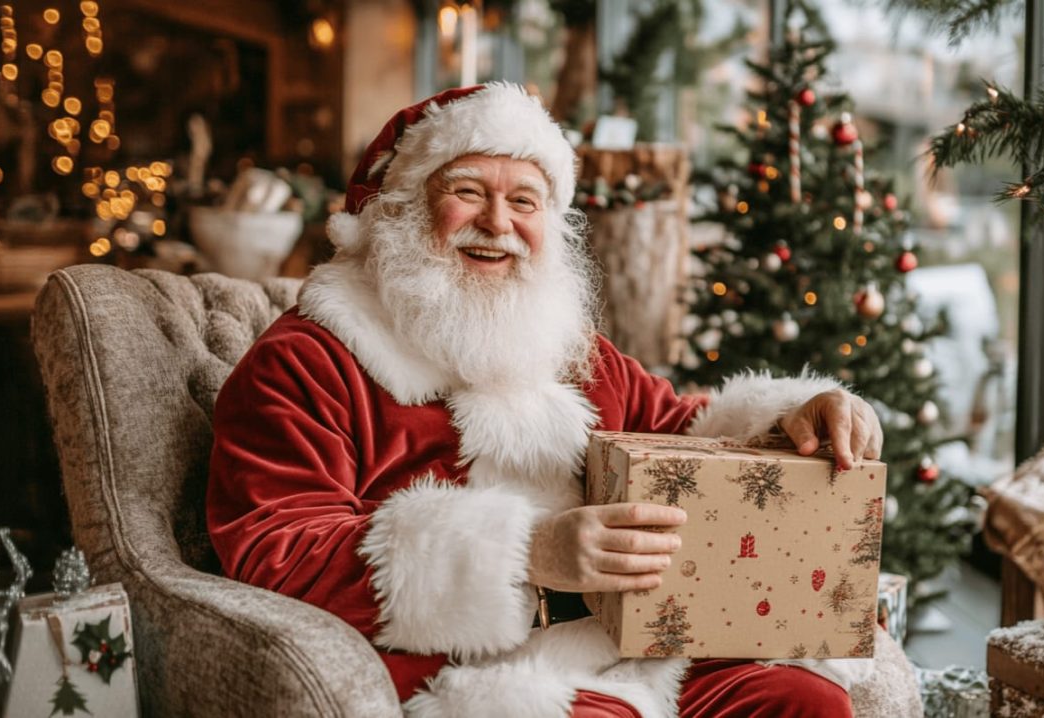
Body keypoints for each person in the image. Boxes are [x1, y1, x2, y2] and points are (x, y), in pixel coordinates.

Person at [207, 83, 884, 718]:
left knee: (803, 700)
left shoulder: (569, 347)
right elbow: (281, 550)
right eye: (468, 192)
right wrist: (528, 554)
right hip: (464, 668)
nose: (498, 223)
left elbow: (681, 433)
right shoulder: (308, 359)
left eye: (525, 201)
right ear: (402, 209)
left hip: (633, 648)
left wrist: (793, 419)